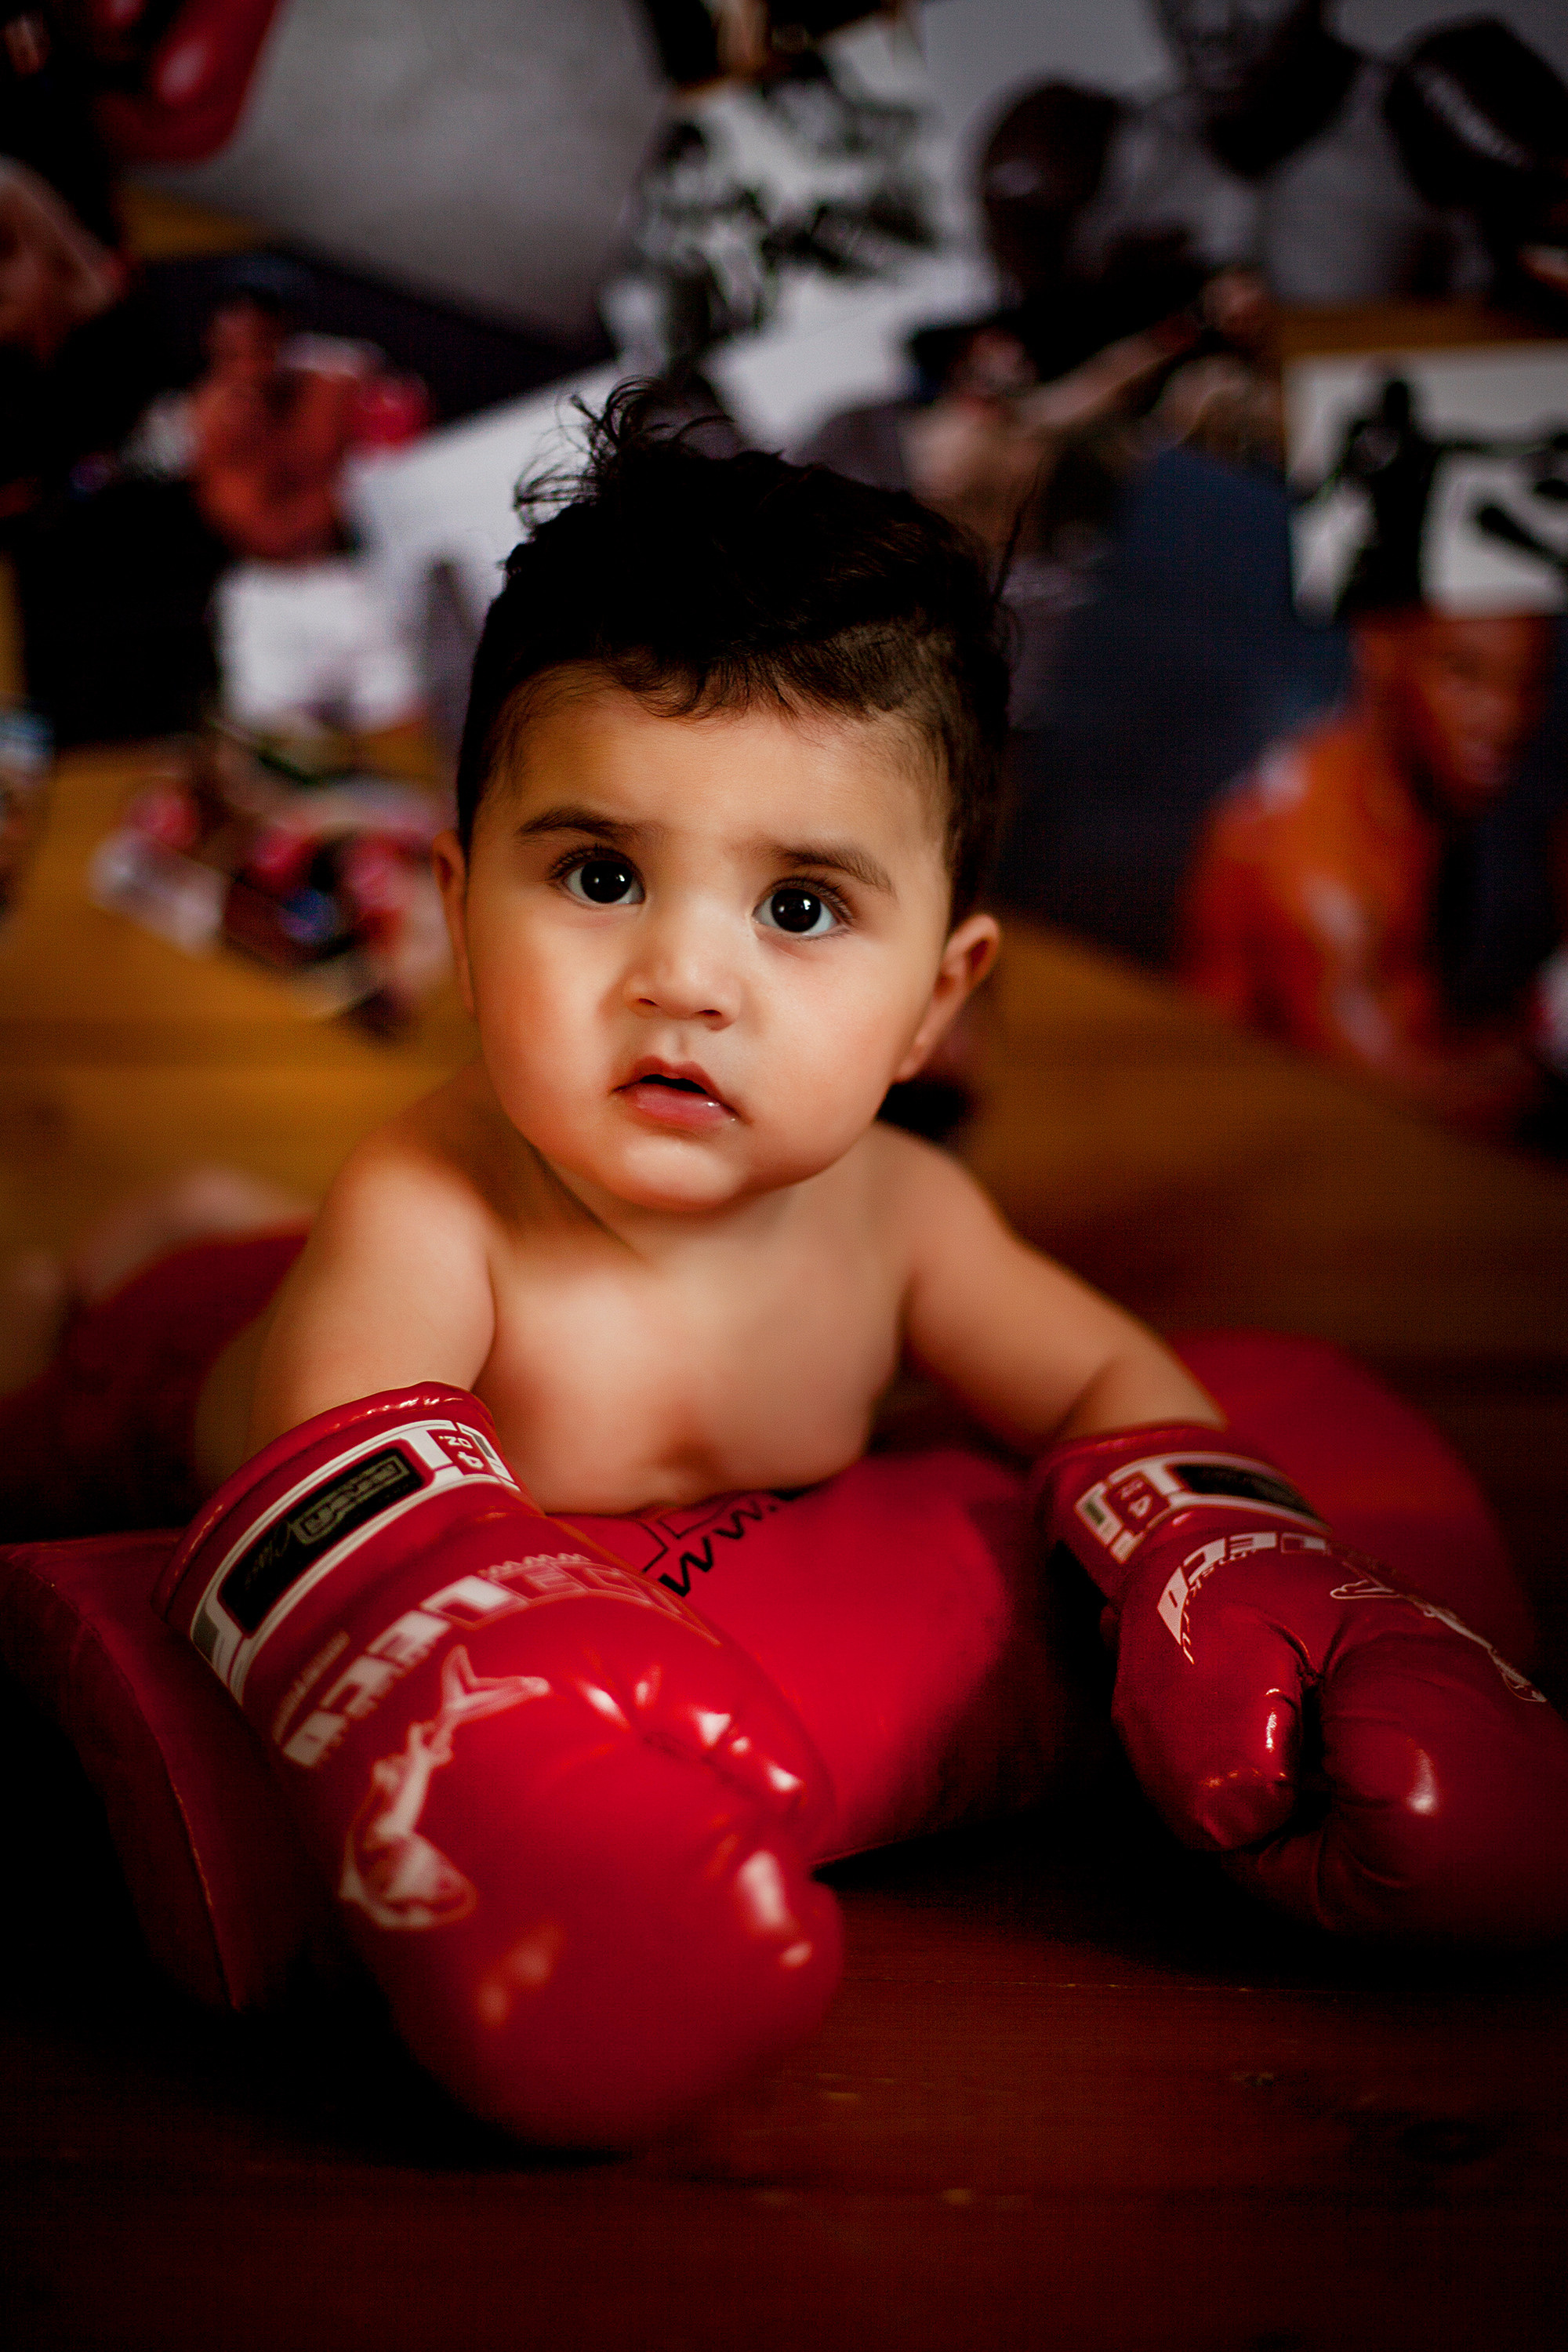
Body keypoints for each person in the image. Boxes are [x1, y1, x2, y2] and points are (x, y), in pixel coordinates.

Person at [6, 397, 1567, 2146]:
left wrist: (1231, 1568)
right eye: (599, 873)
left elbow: (1108, 1388)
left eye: (802, 907)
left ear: (937, 998)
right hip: (188, 1378)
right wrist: (468, 1724)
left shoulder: (904, 1222)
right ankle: (123, 1257)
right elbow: (325, 1453)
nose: (685, 975)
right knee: (80, 1360)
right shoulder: (428, 1202)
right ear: (455, 911)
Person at [1177, 605, 1559, 1131]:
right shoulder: (1325, 879)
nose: (1504, 719)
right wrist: (1556, 1027)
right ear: (1381, 649)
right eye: (1463, 673)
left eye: (1528, 684)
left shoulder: (1404, 804)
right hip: (1257, 1157)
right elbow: (1399, 1118)